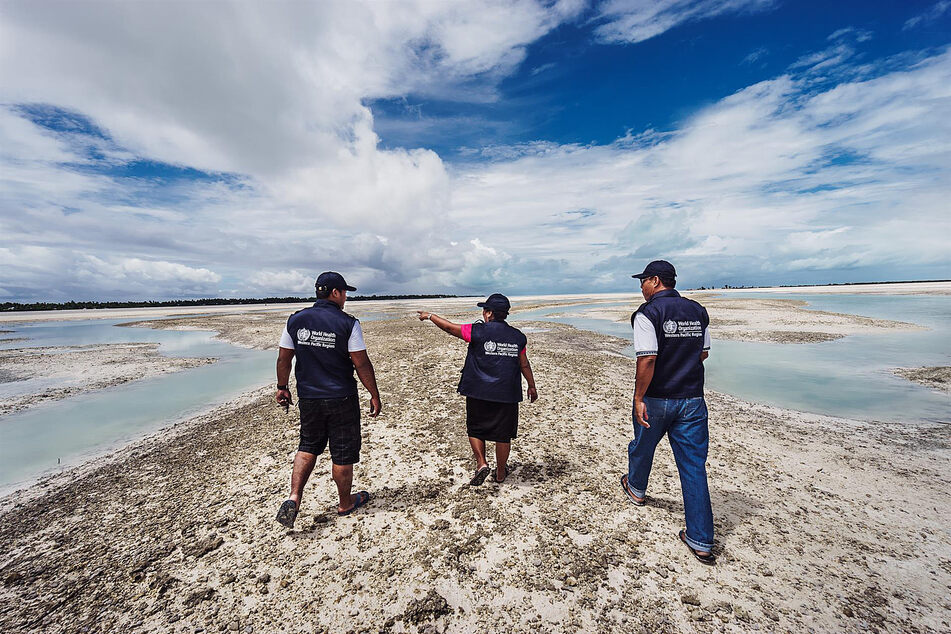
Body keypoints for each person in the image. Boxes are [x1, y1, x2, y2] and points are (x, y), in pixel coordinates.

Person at [620, 260, 716, 565]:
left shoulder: (647, 313)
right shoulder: (697, 310)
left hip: (658, 398)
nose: (640, 287)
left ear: (656, 281)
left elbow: (646, 360)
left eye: (643, 281)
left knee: (643, 446)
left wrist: (638, 397)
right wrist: (682, 366)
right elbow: (702, 352)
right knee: (693, 466)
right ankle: (701, 541)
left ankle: (636, 489)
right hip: (691, 399)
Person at [274, 271, 381, 528]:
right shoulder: (348, 323)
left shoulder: (296, 320)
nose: (345, 298)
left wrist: (282, 387)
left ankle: (294, 497)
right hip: (341, 396)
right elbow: (361, 362)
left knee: (308, 445)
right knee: (342, 453)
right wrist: (374, 393)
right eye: (344, 293)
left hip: (309, 397)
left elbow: (284, 358)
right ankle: (345, 502)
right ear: (335, 293)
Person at [417, 293, 538, 486]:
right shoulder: (518, 337)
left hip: (478, 391)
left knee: (475, 428)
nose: (483, 313)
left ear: (489, 313)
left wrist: (430, 316)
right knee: (503, 434)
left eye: (484, 309)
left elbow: (450, 328)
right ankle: (500, 473)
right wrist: (531, 386)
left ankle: (481, 463)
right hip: (506, 394)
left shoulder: (477, 331)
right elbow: (524, 364)